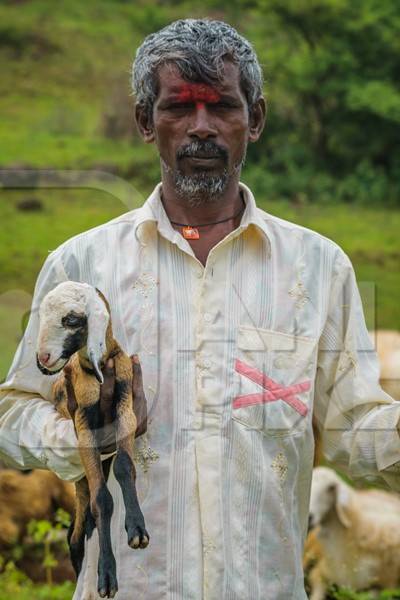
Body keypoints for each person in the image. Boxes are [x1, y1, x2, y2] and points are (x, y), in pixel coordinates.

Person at [1, 18, 399, 600]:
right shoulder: (81, 265)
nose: (202, 128)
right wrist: (90, 439)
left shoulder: (319, 268)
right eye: (179, 108)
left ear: (255, 119)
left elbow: (352, 426)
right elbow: (13, 412)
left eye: (223, 107)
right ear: (145, 120)